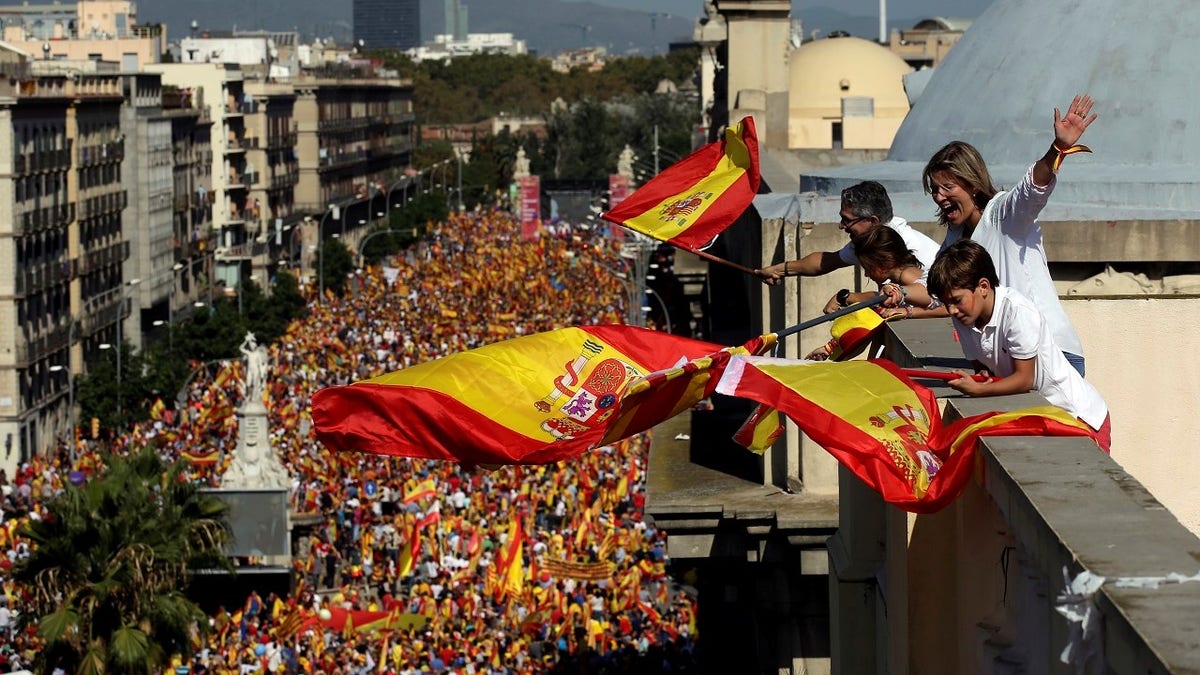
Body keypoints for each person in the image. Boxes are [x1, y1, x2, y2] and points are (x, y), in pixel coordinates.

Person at [923, 94, 1096, 376]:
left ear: (973, 184)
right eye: (934, 189)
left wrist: (1057, 149)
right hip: (1010, 362)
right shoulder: (955, 239)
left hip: (1050, 354)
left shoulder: (1003, 215)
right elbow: (935, 288)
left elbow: (1033, 187)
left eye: (948, 187)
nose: (939, 197)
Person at [928, 240, 1111, 453]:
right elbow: (983, 369)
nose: (951, 310)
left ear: (984, 287)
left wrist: (978, 389)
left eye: (957, 300)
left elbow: (1025, 379)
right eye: (946, 303)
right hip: (1042, 414)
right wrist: (980, 378)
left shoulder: (1017, 311)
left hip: (1077, 415)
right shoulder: (964, 317)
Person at [756, 180, 940, 287]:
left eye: (847, 220)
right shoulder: (873, 240)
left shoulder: (901, 248)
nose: (841, 226)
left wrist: (847, 299)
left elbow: (921, 296)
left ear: (873, 221)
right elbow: (827, 262)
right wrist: (777, 270)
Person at [820, 226, 943, 318]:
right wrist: (845, 298)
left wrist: (906, 308)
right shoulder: (900, 277)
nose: (866, 274)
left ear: (884, 262)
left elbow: (937, 300)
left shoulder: (908, 276)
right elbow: (878, 298)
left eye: (868, 267)